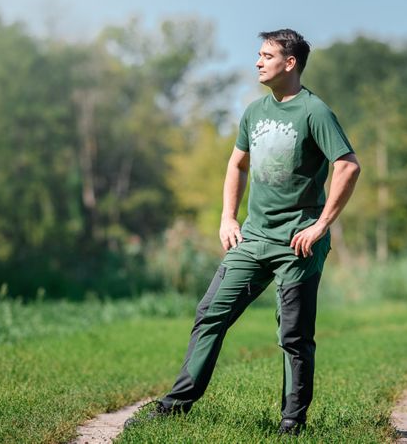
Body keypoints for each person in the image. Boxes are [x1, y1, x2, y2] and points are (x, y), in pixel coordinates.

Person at [127, 28, 360, 436]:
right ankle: (177, 404)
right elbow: (237, 164)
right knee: (209, 315)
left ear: (290, 63)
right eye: (259, 54)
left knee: (293, 335)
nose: (257, 61)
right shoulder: (254, 112)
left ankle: (292, 421)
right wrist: (227, 218)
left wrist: (321, 225)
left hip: (297, 244)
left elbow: (348, 166)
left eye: (266, 55)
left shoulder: (314, 111)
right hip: (251, 239)